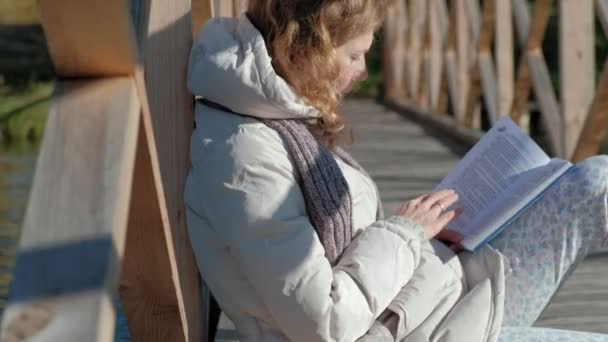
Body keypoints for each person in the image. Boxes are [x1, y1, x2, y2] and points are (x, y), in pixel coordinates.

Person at [184, 0, 608, 341]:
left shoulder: (272, 122)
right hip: (425, 324)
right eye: (355, 54)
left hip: (429, 300)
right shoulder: (244, 157)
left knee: (595, 182)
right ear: (309, 46)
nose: (363, 71)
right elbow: (323, 324)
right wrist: (405, 234)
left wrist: (420, 235)